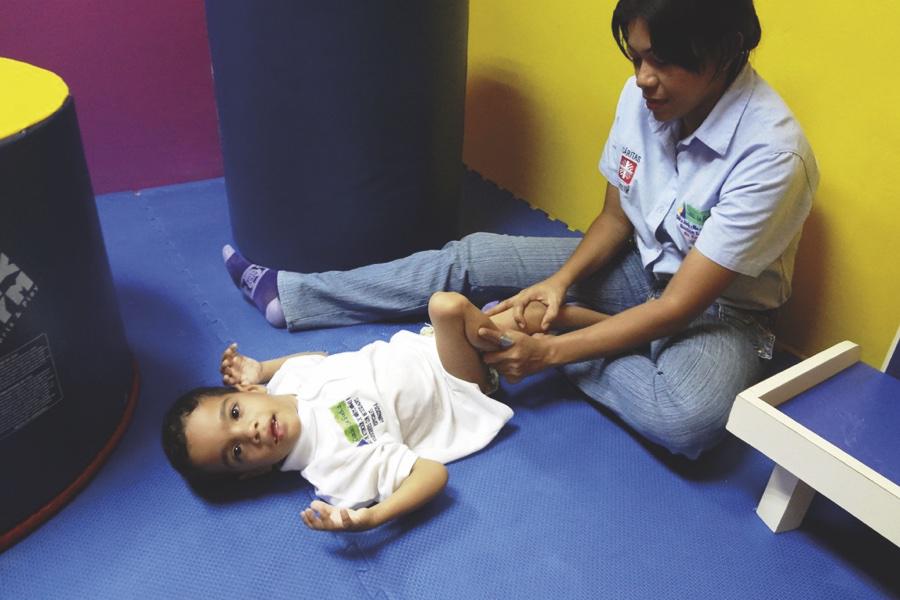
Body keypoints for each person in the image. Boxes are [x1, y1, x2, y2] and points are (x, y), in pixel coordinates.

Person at [222, 0, 818, 460]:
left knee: (686, 422)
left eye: (661, 60)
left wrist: (552, 350)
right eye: (635, 57)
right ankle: (294, 295)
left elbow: (682, 306)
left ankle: (580, 338)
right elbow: (615, 218)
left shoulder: (771, 154)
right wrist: (558, 284)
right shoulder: (644, 98)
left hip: (722, 314)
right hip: (641, 269)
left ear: (725, 50)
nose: (642, 78)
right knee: (474, 258)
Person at [161, 292, 607, 531]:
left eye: (235, 413)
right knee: (447, 305)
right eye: (236, 452)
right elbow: (432, 475)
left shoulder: (290, 383)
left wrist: (262, 367)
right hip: (459, 386)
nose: (251, 433)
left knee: (533, 313)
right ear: (254, 473)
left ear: (251, 391)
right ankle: (499, 333)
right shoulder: (333, 472)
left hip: (431, 344)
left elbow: (315, 358)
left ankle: (619, 327)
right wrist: (373, 516)